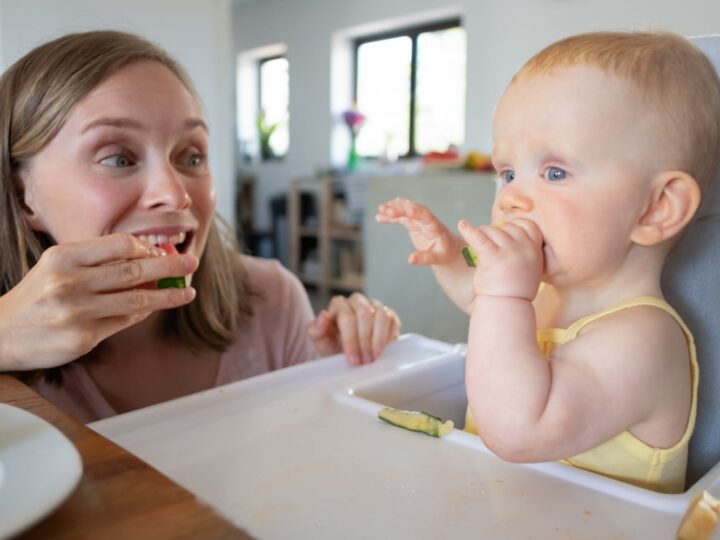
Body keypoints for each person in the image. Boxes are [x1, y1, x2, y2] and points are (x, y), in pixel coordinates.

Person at [377, 31, 720, 493]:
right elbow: (477, 302)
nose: (512, 197)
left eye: (555, 172)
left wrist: (503, 292)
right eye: (508, 173)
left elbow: (518, 430)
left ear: (657, 208)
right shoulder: (541, 292)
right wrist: (450, 259)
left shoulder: (643, 341)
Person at [0, 30, 400, 423]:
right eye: (118, 159)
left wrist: (341, 378)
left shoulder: (271, 301)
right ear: (23, 196)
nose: (175, 195)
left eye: (191, 157)